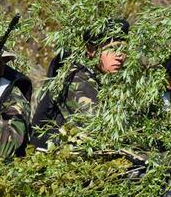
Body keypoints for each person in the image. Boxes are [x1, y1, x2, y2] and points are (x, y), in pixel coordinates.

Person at [31, 18, 129, 148]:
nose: (119, 56)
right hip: (57, 155)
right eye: (111, 48)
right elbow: (99, 132)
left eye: (123, 49)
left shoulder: (108, 79)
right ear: (91, 50)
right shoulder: (76, 79)